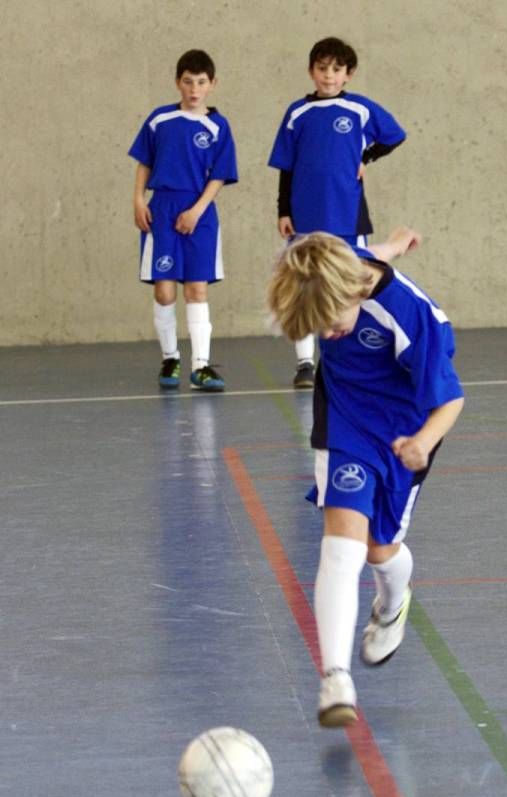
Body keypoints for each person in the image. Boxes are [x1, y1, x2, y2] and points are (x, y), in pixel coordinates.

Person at [267, 227, 464, 727]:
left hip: (406, 429)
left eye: (332, 327)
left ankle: (393, 601)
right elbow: (362, 255)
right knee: (342, 548)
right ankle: (335, 678)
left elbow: (451, 400)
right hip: (346, 422)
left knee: (380, 551)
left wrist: (422, 443)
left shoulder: (409, 315)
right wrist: (392, 248)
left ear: (355, 291)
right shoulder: (333, 264)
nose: (329, 337)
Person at [268, 36, 407, 390]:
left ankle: (350, 358)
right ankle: (304, 363)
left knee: (353, 281)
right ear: (311, 71)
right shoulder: (297, 113)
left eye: (336, 69)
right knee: (303, 284)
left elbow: (395, 135)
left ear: (348, 74)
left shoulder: (360, 109)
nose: (328, 76)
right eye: (322, 68)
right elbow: (286, 166)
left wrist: (366, 157)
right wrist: (284, 209)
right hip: (304, 215)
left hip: (346, 213)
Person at [129, 49, 238, 391]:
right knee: (164, 290)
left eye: (201, 82)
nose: (194, 89)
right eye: (188, 82)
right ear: (178, 82)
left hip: (199, 212)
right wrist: (137, 199)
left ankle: (201, 366)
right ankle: (170, 357)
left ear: (212, 84)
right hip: (161, 209)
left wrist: (197, 210)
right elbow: (144, 161)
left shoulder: (218, 125)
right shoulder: (159, 119)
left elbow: (219, 175)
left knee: (197, 287)